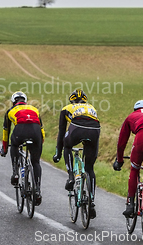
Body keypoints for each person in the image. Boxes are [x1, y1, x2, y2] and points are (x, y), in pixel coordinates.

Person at [53, 89, 100, 219]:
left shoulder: (67, 108)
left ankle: (70, 177)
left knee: (67, 145)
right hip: (94, 130)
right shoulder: (91, 107)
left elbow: (61, 132)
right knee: (89, 168)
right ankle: (91, 201)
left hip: (77, 128)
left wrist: (58, 152)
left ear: (72, 100)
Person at [0, 91, 45, 206]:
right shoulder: (34, 109)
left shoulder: (10, 111)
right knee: (35, 162)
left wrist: (4, 149)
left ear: (13, 101)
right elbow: (42, 129)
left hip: (20, 130)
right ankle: (37, 190)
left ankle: (15, 172)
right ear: (25, 101)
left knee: (14, 144)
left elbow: (6, 132)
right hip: (36, 133)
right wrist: (40, 143)